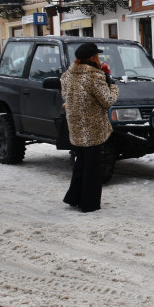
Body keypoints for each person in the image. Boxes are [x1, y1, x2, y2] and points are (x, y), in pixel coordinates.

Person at [61, 42, 119, 213]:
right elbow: (107, 100)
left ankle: (74, 197)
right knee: (93, 167)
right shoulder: (95, 77)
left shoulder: (67, 75)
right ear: (93, 57)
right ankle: (89, 203)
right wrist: (113, 85)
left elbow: (65, 96)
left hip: (76, 126)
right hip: (93, 128)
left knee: (81, 163)